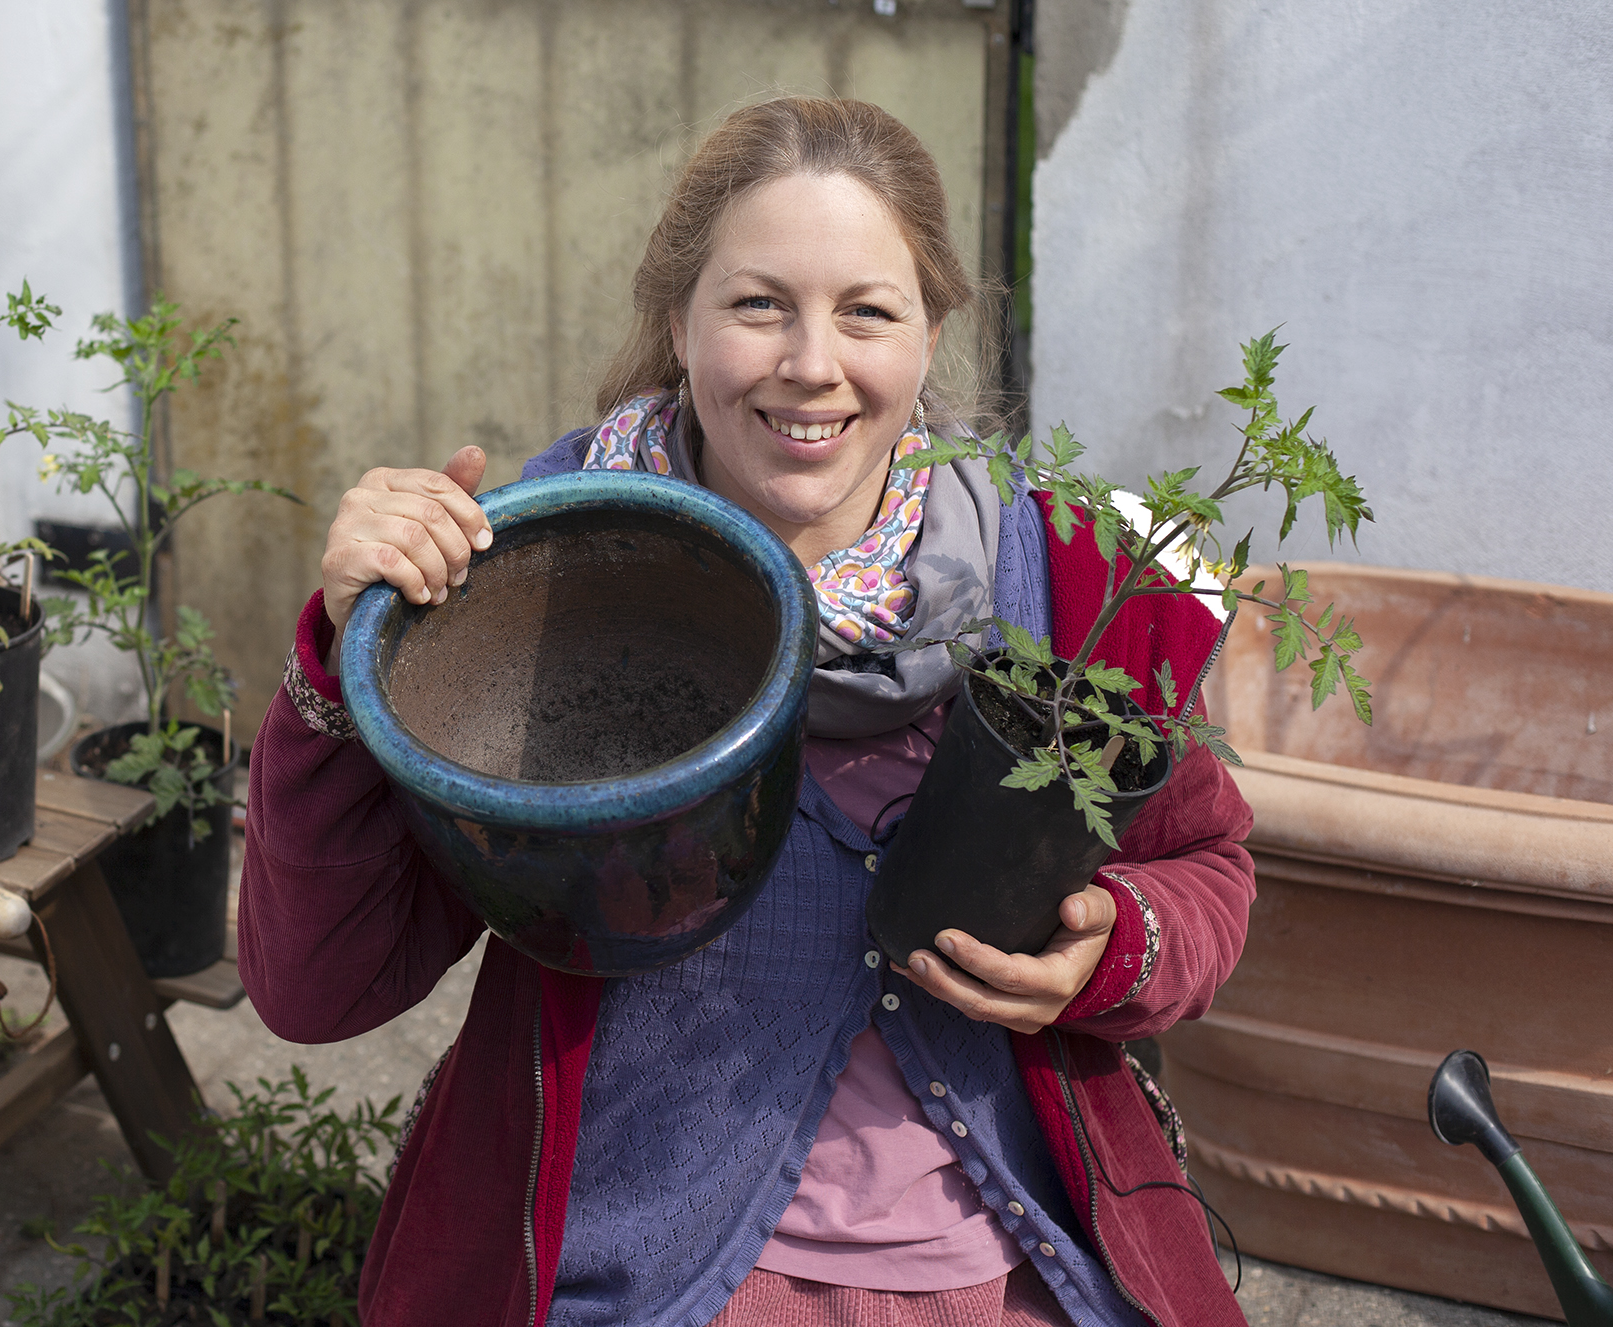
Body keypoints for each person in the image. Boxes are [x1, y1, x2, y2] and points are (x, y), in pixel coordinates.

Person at [239, 97, 1253, 1327]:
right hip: (639, 1277)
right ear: (678, 322)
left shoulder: (1079, 584)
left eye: (867, 311)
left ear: (930, 332)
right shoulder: (532, 579)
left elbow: (1205, 864)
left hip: (1006, 1272)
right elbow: (316, 988)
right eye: (758, 302)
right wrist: (345, 660)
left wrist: (1114, 945)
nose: (810, 363)